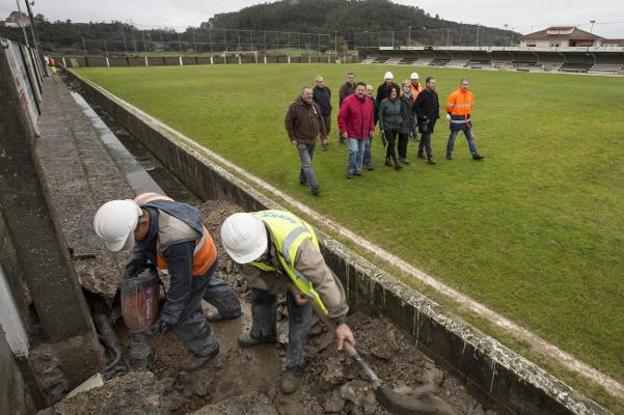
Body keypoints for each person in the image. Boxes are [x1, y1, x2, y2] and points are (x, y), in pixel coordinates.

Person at [93, 193, 241, 370]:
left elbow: (182, 283)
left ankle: (207, 349)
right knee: (207, 285)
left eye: (131, 238)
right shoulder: (139, 205)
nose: (133, 243)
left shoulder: (175, 240)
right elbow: (144, 240)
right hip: (199, 251)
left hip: (198, 262)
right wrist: (138, 258)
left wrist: (171, 314)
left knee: (184, 313)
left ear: (142, 224)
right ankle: (232, 309)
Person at [220, 210, 354, 394]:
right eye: (252, 258)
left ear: (263, 238)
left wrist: (340, 321)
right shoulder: (240, 243)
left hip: (296, 264)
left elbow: (324, 280)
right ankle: (263, 333)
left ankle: (295, 365)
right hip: (269, 267)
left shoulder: (299, 247)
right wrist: (286, 285)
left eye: (258, 254)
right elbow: (253, 275)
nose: (256, 259)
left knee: (299, 318)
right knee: (260, 297)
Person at [285, 87, 328, 196]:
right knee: (308, 164)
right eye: (307, 94)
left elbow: (321, 121)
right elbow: (288, 122)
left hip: (313, 140)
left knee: (307, 162)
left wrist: (323, 136)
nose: (310, 96)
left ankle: (302, 179)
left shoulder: (315, 106)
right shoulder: (294, 107)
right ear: (302, 94)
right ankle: (315, 186)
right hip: (301, 141)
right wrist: (292, 138)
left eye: (311, 94)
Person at [338, 82, 375, 179]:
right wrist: (343, 130)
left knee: (361, 152)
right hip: (352, 132)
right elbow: (341, 117)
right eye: (359, 90)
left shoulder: (369, 102)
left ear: (365, 91)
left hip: (364, 132)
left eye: (363, 90)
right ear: (356, 90)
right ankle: (350, 170)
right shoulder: (348, 101)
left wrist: (372, 128)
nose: (361, 92)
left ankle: (358, 170)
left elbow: (371, 117)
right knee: (353, 151)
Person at [445, 78, 485, 161]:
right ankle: (449, 154)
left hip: (466, 121)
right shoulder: (454, 95)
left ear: (469, 85)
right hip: (456, 121)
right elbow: (449, 108)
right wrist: (451, 116)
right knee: (452, 138)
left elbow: (470, 107)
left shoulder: (470, 95)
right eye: (464, 84)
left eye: (467, 84)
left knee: (470, 138)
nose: (465, 86)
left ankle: (475, 155)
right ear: (460, 85)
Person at [413, 76, 440, 164]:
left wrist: (436, 116)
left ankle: (420, 152)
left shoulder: (435, 94)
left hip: (432, 120)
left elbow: (437, 106)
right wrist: (423, 116)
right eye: (432, 83)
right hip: (424, 121)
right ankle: (430, 157)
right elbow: (416, 106)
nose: (434, 84)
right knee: (427, 138)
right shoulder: (422, 94)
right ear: (427, 83)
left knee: (425, 136)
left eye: (434, 83)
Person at [378, 85, 404, 170]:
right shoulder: (384, 102)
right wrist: (382, 128)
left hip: (396, 125)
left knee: (391, 143)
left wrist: (401, 121)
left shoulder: (399, 101)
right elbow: (380, 115)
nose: (394, 93)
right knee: (392, 143)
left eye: (395, 92)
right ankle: (396, 161)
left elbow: (401, 112)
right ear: (389, 92)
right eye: (392, 92)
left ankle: (387, 159)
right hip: (387, 126)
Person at [312, 75, 332, 149]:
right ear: (316, 82)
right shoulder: (313, 91)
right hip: (320, 114)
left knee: (328, 128)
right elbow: (312, 103)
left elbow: (328, 97)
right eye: (320, 82)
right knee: (322, 129)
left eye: (323, 81)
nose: (322, 83)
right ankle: (323, 144)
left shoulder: (327, 89)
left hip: (328, 112)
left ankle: (325, 139)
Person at [398, 80, 414, 164]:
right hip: (402, 122)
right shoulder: (400, 97)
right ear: (402, 87)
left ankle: (401, 156)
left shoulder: (411, 97)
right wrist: (401, 120)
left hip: (408, 122)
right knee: (403, 139)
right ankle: (402, 157)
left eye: (408, 86)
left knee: (403, 140)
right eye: (405, 86)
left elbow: (412, 110)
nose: (407, 88)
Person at [338, 72, 357, 143]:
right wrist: (350, 102)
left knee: (352, 122)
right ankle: (341, 137)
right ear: (347, 78)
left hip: (354, 108)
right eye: (349, 78)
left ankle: (351, 135)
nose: (351, 79)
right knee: (343, 122)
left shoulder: (356, 86)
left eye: (352, 78)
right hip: (345, 108)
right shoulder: (344, 87)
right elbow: (342, 96)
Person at [362, 84, 377, 171]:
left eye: (371, 90)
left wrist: (373, 125)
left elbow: (375, 115)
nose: (370, 91)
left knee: (368, 144)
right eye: (368, 90)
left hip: (370, 127)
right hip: (361, 127)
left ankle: (365, 160)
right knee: (365, 144)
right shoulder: (361, 101)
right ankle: (367, 161)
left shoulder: (374, 102)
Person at [408, 72, 423, 140]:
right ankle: (415, 136)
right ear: (411, 80)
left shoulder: (420, 86)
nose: (414, 81)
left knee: (418, 122)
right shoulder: (408, 87)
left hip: (419, 107)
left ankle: (410, 131)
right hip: (412, 107)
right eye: (413, 79)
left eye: (416, 79)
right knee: (415, 121)